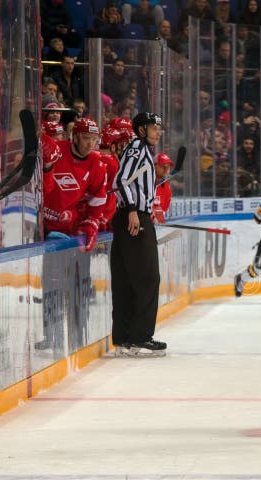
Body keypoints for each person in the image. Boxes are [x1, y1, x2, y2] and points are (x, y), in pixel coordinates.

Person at [111, 112, 167, 357]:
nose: (158, 132)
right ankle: (140, 338)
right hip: (133, 218)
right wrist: (135, 210)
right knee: (147, 278)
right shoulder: (137, 149)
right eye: (154, 128)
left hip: (130, 216)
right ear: (141, 129)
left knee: (127, 279)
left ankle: (125, 338)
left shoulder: (140, 149)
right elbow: (121, 181)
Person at [40, 118, 107, 251]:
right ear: (75, 137)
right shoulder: (57, 149)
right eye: (87, 138)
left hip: (67, 229)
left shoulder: (97, 164)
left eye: (94, 139)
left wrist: (92, 222)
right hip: (41, 224)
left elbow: (97, 198)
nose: (90, 144)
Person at [152, 152, 174, 224]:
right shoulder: (145, 183)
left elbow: (163, 210)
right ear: (153, 166)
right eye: (162, 166)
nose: (166, 169)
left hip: (158, 227)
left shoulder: (167, 187)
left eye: (168, 167)